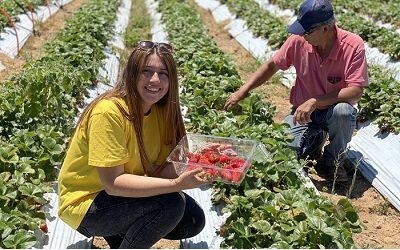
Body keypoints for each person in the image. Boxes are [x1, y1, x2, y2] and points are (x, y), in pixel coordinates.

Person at [58, 41, 211, 248]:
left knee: (192, 219)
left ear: (171, 80)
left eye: (163, 73)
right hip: (87, 204)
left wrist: (202, 160)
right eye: (146, 71)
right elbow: (113, 184)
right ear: (132, 73)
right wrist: (177, 185)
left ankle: (120, 236)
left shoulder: (160, 112)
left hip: (118, 198)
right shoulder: (109, 112)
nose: (155, 80)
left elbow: (159, 172)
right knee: (171, 204)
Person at [224, 0, 368, 182]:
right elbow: (271, 65)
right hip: (302, 114)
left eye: (307, 31)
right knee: (286, 154)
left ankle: (333, 160)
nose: (302, 35)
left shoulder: (353, 45)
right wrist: (242, 91)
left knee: (344, 112)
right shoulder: (299, 40)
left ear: (325, 29)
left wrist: (315, 101)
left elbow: (355, 91)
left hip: (332, 113)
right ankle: (315, 141)